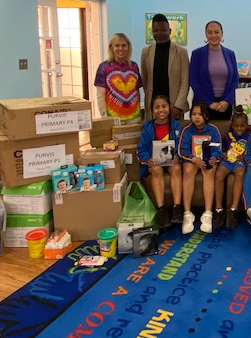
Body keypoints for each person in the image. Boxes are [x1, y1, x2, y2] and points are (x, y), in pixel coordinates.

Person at [136, 95, 183, 229]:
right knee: (157, 170)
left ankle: (177, 208)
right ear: (152, 110)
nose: (161, 110)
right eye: (157, 107)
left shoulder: (176, 125)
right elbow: (141, 149)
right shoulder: (147, 127)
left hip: (171, 161)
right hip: (155, 163)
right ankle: (161, 209)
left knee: (176, 168)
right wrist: (148, 160)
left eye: (164, 106)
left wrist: (177, 157)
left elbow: (181, 145)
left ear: (169, 108)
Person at [178, 102, 222, 234]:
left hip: (206, 160)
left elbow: (218, 149)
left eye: (200, 114)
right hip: (191, 160)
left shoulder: (213, 130)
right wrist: (193, 158)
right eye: (194, 114)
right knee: (188, 171)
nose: (196, 117)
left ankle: (207, 213)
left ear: (206, 116)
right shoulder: (187, 130)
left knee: (209, 170)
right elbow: (182, 150)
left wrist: (214, 158)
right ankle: (187, 213)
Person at [140, 13, 190, 121]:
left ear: (170, 31)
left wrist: (179, 105)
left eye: (163, 30)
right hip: (153, 108)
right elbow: (145, 80)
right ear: (152, 32)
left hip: (174, 107)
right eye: (156, 30)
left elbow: (185, 81)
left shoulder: (181, 52)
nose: (159, 33)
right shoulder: (146, 52)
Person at [189, 21, 239, 120]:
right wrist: (210, 103)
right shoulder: (197, 54)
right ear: (206, 34)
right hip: (202, 105)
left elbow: (235, 80)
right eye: (210, 32)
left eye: (216, 32)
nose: (213, 35)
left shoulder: (230, 54)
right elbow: (193, 80)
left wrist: (227, 101)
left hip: (224, 106)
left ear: (222, 33)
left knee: (223, 130)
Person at [213, 105, 250, 230]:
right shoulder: (228, 136)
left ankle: (233, 209)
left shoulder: (249, 137)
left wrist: (244, 157)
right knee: (219, 175)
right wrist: (223, 154)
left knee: (240, 174)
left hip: (240, 162)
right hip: (227, 161)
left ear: (246, 125)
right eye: (236, 126)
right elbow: (221, 150)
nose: (239, 128)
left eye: (242, 126)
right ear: (232, 125)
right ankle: (219, 209)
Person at [94, 33, 142, 122]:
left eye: (124, 45)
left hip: (134, 117)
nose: (120, 48)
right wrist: (104, 116)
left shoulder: (134, 66)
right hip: (113, 119)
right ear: (111, 47)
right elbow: (100, 95)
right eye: (117, 45)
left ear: (128, 47)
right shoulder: (103, 67)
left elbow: (137, 91)